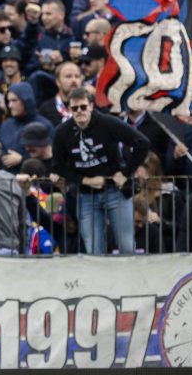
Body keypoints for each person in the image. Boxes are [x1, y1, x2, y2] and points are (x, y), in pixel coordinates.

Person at [51, 87, 150, 255]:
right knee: (93, 249)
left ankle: (130, 280)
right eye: (74, 108)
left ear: (91, 105)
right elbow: (58, 166)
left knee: (126, 246)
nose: (79, 112)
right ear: (69, 109)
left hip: (115, 191)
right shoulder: (62, 132)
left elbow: (142, 142)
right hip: (86, 194)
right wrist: (84, 180)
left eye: (83, 107)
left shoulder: (107, 122)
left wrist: (126, 173)